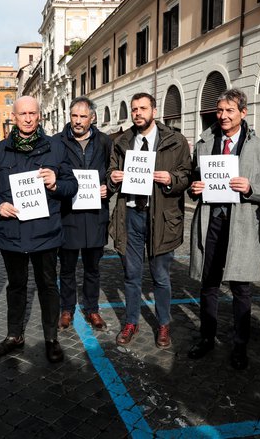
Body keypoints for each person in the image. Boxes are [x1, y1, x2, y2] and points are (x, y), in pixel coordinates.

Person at [187, 88, 260, 370]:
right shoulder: (204, 143)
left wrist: (251, 188)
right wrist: (194, 188)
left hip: (241, 224)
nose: (223, 116)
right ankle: (206, 337)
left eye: (230, 111)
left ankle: (240, 345)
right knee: (209, 284)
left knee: (241, 288)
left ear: (243, 112)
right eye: (220, 111)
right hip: (211, 220)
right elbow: (194, 181)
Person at [0, 96, 78, 362]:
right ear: (13, 116)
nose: (27, 118)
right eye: (22, 114)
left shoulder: (56, 148)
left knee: (48, 285)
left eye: (32, 114)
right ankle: (14, 336)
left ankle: (51, 339)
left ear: (39, 116)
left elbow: (72, 185)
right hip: (11, 232)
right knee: (16, 286)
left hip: (45, 233)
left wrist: (56, 183)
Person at [107, 92, 192, 348]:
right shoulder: (122, 141)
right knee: (131, 276)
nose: (138, 113)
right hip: (130, 215)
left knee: (161, 277)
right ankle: (131, 321)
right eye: (134, 109)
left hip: (161, 218)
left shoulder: (175, 141)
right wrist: (112, 178)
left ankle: (164, 324)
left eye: (143, 108)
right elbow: (110, 171)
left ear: (153, 111)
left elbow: (186, 176)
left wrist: (171, 180)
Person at [56, 97, 112, 331]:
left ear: (93, 118)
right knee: (67, 267)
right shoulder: (57, 142)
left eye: (83, 116)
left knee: (93, 268)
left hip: (96, 214)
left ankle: (92, 309)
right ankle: (67, 308)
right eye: (74, 116)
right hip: (68, 214)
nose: (77, 121)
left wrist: (109, 187)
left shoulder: (105, 142)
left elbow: (113, 170)